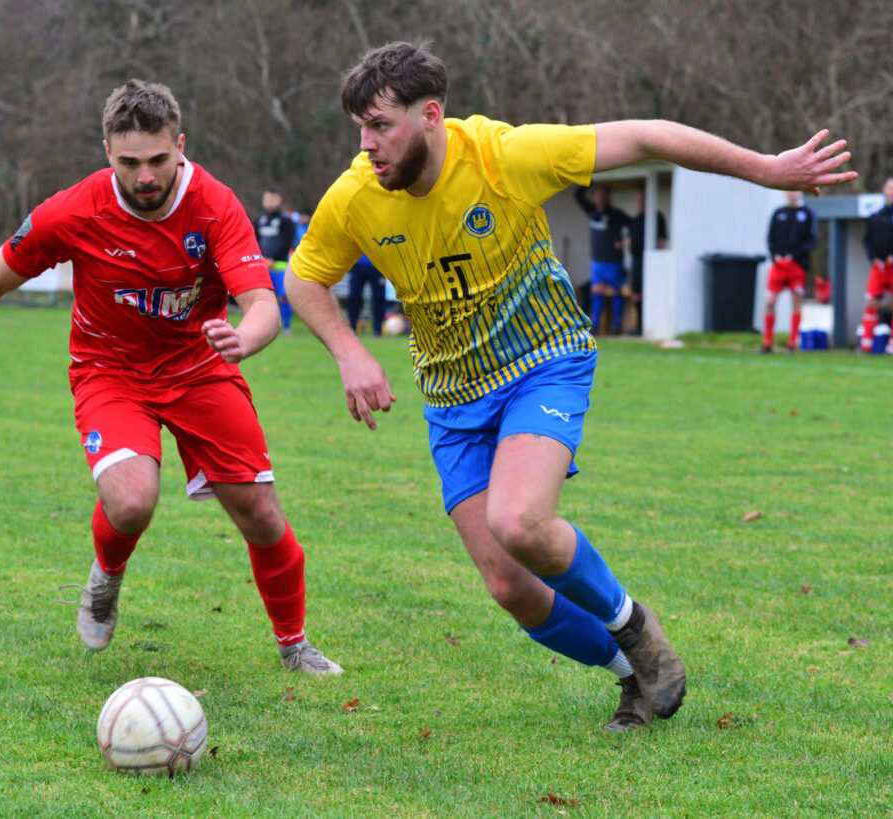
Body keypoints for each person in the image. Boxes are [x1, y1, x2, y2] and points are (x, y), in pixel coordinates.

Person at [283, 41, 855, 731]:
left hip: (541, 360)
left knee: (518, 520)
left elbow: (647, 136)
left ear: (431, 114)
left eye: (382, 126)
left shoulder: (504, 156)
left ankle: (635, 625)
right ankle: (633, 675)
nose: (369, 145)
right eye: (361, 129)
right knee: (508, 585)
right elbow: (304, 275)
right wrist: (348, 350)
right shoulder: (356, 196)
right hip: (452, 397)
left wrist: (765, 169)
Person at [0, 79, 341, 675]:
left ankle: (294, 644)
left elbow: (262, 307)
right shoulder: (73, 210)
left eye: (158, 160)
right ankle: (107, 575)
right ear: (107, 153)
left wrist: (242, 339)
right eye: (129, 163)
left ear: (180, 145)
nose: (146, 176)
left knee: (258, 509)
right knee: (130, 503)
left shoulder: (215, 205)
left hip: (202, 369)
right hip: (110, 371)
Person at [761, 191, 819, 353]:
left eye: (794, 190)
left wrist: (794, 255)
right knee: (769, 302)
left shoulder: (808, 213)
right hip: (778, 265)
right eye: (788, 190)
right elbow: (770, 237)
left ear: (800, 192)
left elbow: (812, 240)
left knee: (796, 303)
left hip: (797, 265)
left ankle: (792, 343)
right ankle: (767, 343)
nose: (790, 193)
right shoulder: (778, 213)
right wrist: (775, 255)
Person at [574, 184, 630, 334]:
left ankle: (617, 325)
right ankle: (596, 325)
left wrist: (625, 240)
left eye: (603, 196)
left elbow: (632, 224)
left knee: (615, 292)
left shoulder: (616, 214)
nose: (600, 199)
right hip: (597, 261)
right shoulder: (592, 211)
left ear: (608, 198)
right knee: (596, 291)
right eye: (597, 196)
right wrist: (588, 180)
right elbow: (577, 195)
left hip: (613, 261)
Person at [255, 187, 298, 335]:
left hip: (279, 266)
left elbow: (287, 241)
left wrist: (274, 259)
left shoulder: (286, 221)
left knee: (282, 296)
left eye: (272, 199)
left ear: (279, 200)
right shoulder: (260, 220)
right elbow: (254, 240)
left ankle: (286, 327)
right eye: (266, 199)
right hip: (262, 265)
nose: (268, 202)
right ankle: (264, 327)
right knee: (263, 297)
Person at [857, 176, 893, 352]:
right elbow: (868, 240)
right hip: (879, 267)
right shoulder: (876, 215)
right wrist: (875, 257)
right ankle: (866, 344)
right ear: (884, 190)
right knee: (871, 303)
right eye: (889, 187)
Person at [627, 190, 668, 336]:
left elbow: (661, 240)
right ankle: (638, 326)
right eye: (639, 200)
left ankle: (647, 326)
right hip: (636, 261)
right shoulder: (636, 219)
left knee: (647, 293)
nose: (641, 203)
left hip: (650, 262)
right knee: (636, 294)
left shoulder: (657, 217)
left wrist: (657, 261)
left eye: (643, 200)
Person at [346, 253, 388, 336]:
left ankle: (378, 330)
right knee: (354, 297)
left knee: (379, 299)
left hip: (377, 265)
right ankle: (352, 328)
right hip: (357, 264)